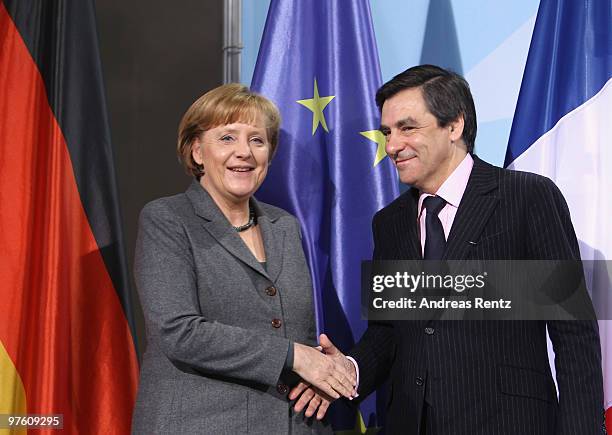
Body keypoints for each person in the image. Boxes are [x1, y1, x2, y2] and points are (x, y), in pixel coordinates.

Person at [290, 65, 604, 434]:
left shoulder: (526, 197)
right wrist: (348, 369)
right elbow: (388, 333)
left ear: (454, 126)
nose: (391, 146)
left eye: (408, 128)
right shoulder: (389, 223)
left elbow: (573, 333)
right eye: (387, 132)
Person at [131, 84, 355, 434]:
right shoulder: (168, 219)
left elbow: (300, 332)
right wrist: (296, 357)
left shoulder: (284, 226)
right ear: (196, 151)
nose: (244, 153)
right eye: (227, 138)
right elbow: (178, 332)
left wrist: (320, 376)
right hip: (199, 424)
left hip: (293, 425)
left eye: (257, 140)